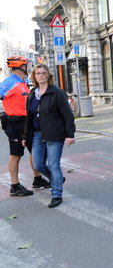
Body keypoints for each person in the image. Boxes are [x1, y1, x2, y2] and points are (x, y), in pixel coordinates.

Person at [23, 64, 76, 208]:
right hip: (36, 135)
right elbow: (29, 117)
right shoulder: (32, 94)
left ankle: (57, 194)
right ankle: (57, 179)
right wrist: (25, 136)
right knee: (38, 164)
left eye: (43, 73)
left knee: (53, 165)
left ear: (48, 76)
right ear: (34, 76)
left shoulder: (57, 92)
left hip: (54, 134)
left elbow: (67, 115)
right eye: (38, 73)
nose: (40, 75)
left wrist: (70, 134)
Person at [0, 56, 50, 197]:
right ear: (22, 66)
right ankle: (15, 186)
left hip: (27, 123)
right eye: (26, 65)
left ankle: (37, 179)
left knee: (34, 151)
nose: (28, 68)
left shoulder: (22, 82)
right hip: (15, 123)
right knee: (16, 155)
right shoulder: (9, 82)